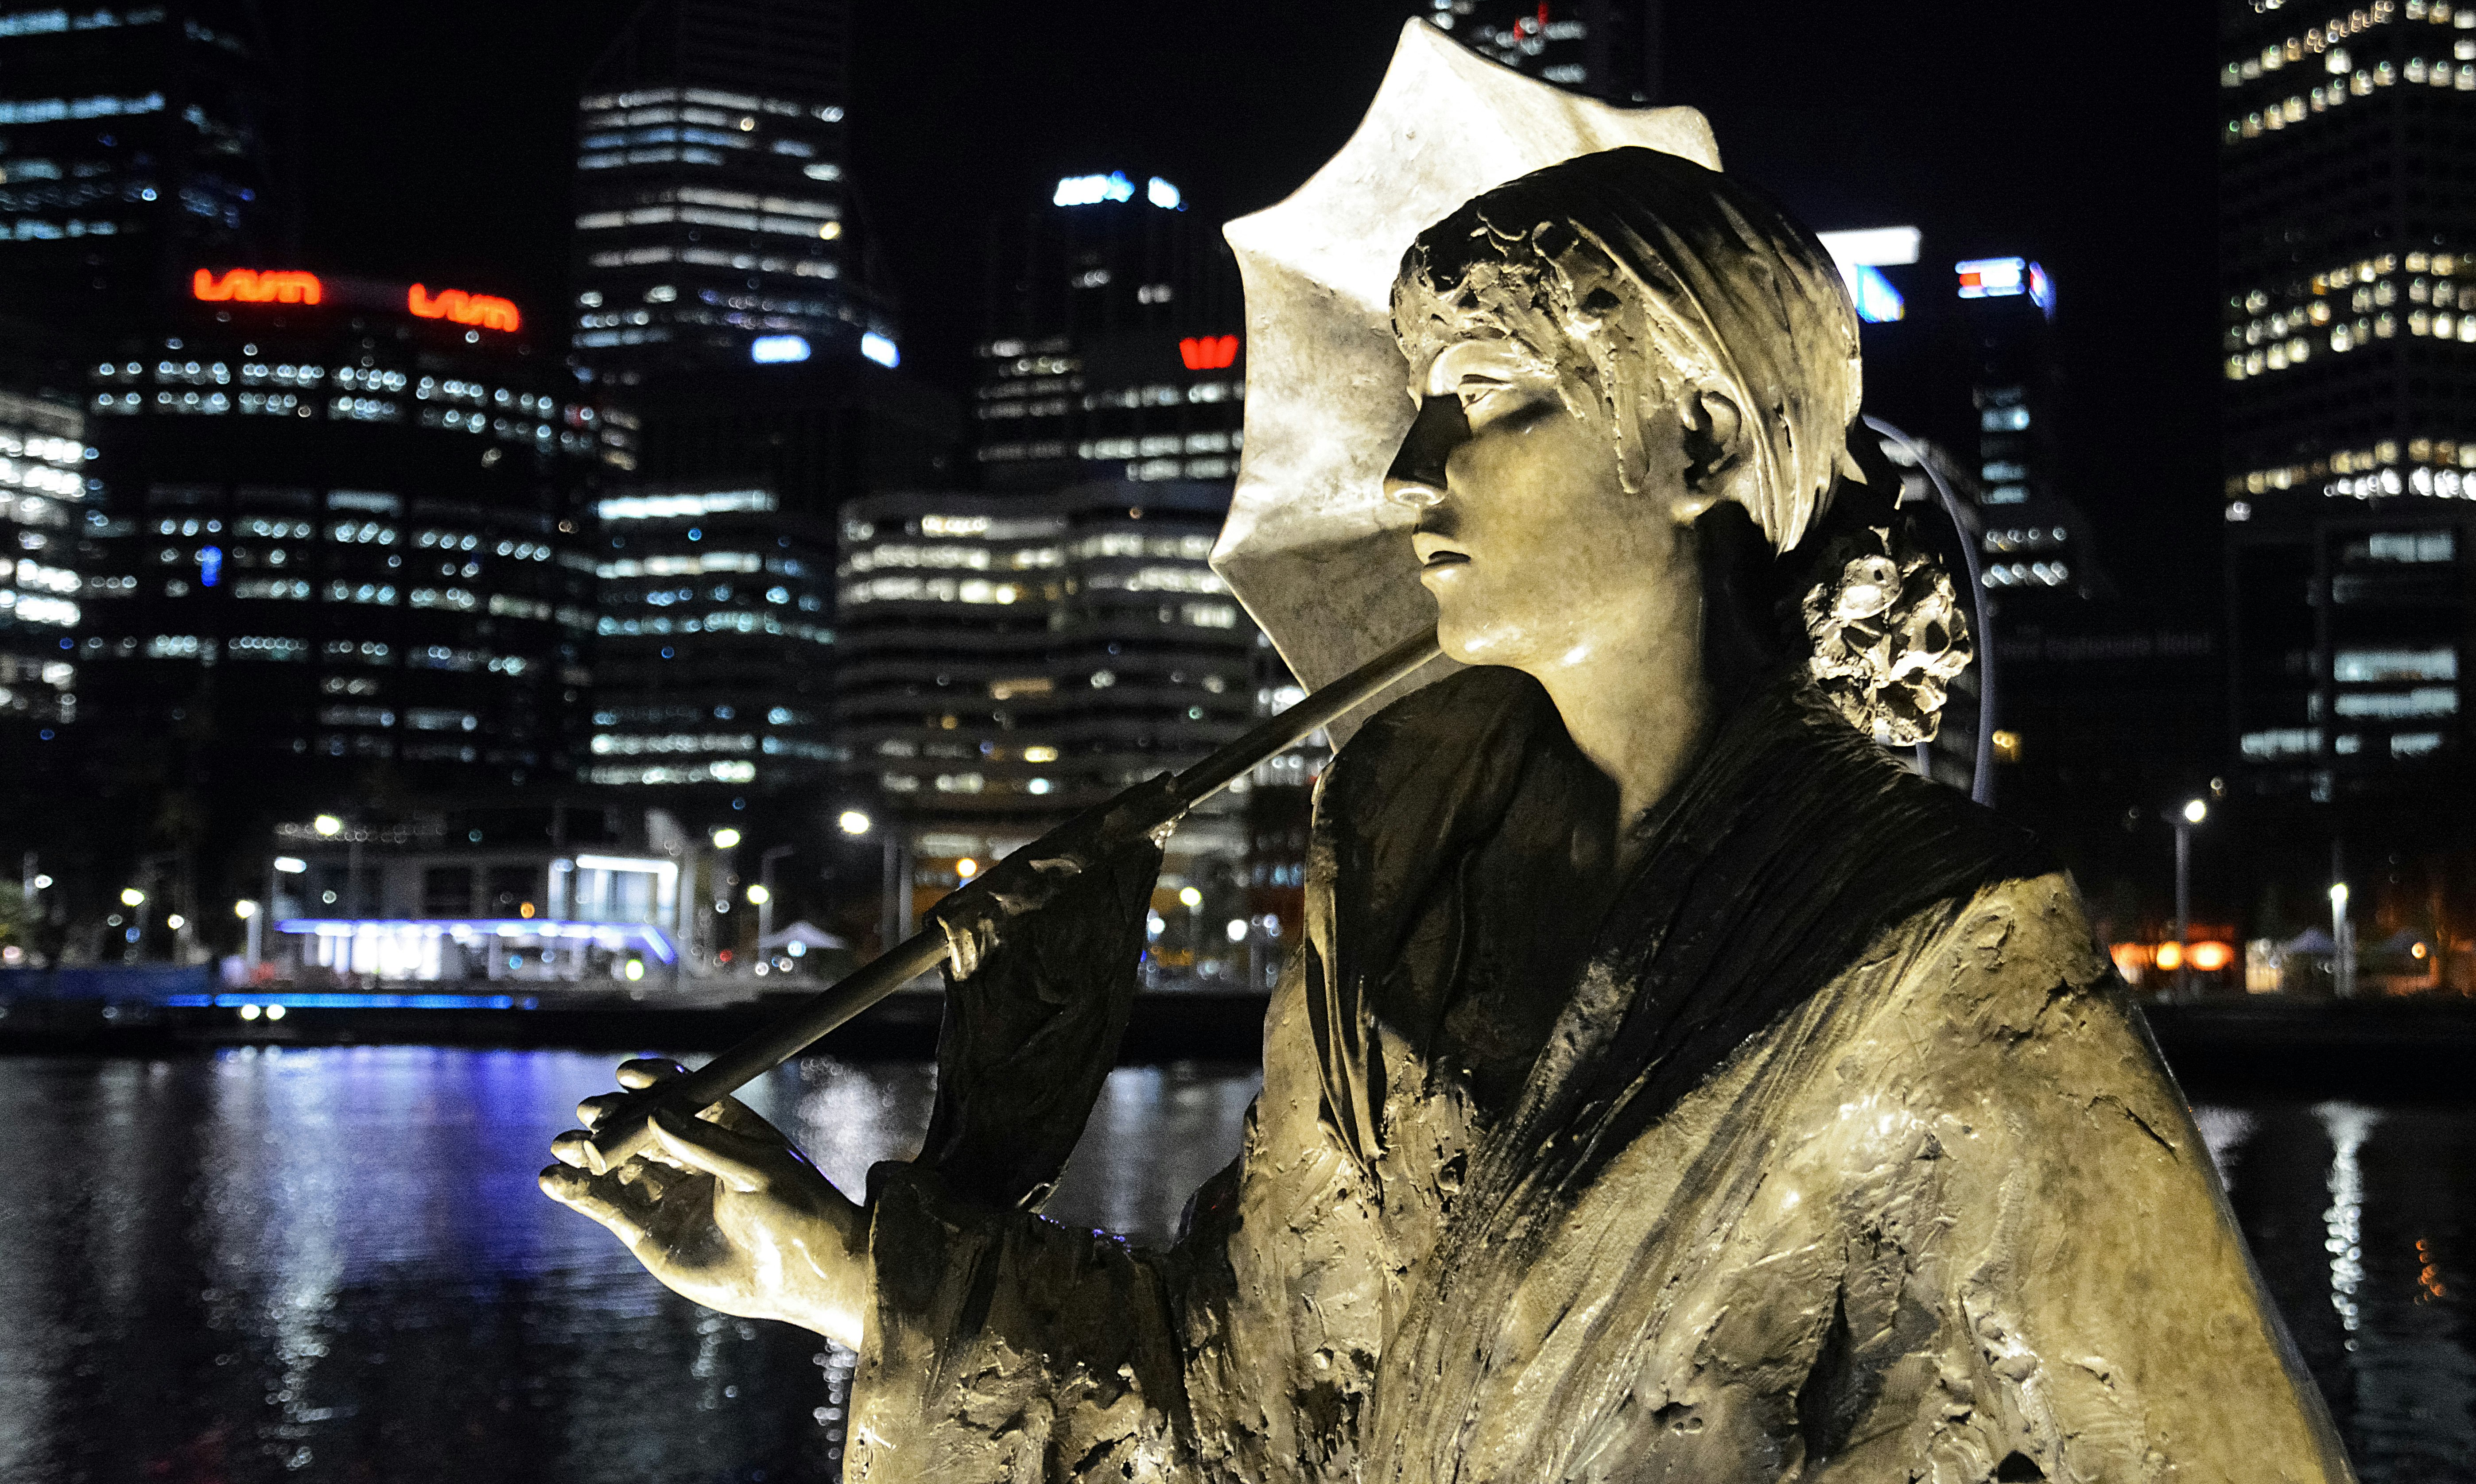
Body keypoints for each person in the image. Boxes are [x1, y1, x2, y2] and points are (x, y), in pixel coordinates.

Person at [543, 149, 2352, 1482]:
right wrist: (831, 1265)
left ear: (1705, 445)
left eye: (1484, 400)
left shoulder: (1942, 959)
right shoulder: (1398, 888)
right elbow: (1236, 1406)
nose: (1412, 474)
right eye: (1419, 405)